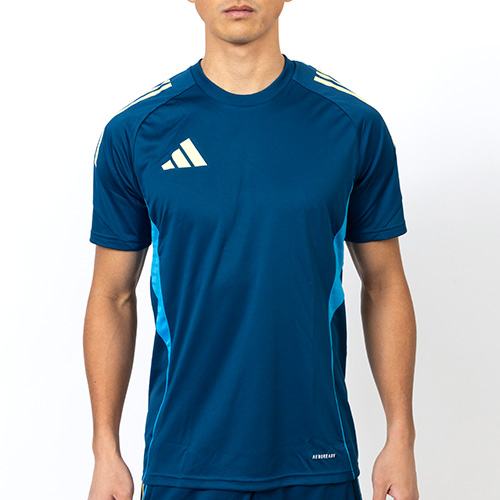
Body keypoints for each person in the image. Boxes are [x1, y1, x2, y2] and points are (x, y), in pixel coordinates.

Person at [83, 1, 419, 499]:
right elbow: (112, 296)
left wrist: (400, 438)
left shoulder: (351, 124)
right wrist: (105, 450)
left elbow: (385, 284)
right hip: (184, 463)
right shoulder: (136, 131)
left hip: (316, 460)